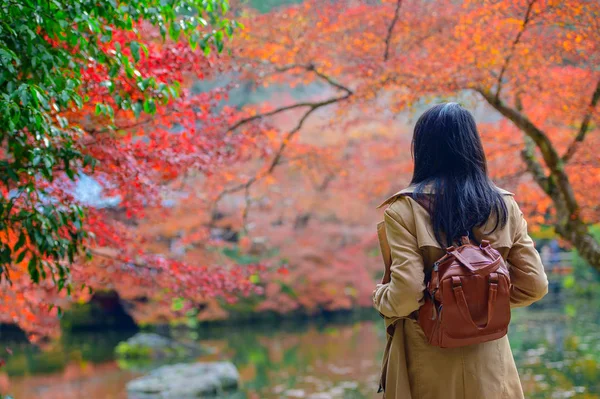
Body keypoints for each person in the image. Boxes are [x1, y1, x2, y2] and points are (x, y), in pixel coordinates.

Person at [372, 103, 548, 399]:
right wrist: (483, 302)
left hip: (427, 357)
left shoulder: (406, 209)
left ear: (423, 148)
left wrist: (380, 298)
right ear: (473, 144)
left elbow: (404, 297)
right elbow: (535, 286)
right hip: (490, 362)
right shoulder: (505, 205)